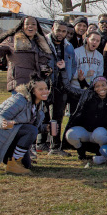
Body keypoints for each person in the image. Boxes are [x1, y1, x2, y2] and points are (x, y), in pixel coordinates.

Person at [0, 16, 54, 92]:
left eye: (33, 24)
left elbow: (45, 62)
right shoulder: (12, 41)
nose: (30, 26)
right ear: (22, 26)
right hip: (19, 86)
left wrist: (47, 69)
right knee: (20, 108)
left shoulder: (42, 44)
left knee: (35, 109)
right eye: (27, 24)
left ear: (37, 27)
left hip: (37, 87)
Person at [61, 76, 107, 161]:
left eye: (103, 85)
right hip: (86, 131)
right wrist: (62, 70)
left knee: (100, 133)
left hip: (102, 134)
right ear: (94, 88)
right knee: (71, 134)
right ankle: (81, 152)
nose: (101, 88)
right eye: (97, 86)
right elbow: (69, 89)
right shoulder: (87, 95)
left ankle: (101, 152)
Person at [39, 20, 75, 155]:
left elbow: (73, 65)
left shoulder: (69, 46)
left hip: (62, 85)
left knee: (58, 117)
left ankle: (55, 146)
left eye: (64, 31)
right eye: (58, 30)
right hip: (46, 85)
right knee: (43, 115)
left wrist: (67, 76)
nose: (60, 33)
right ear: (53, 28)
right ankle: (41, 143)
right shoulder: (43, 43)